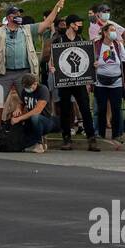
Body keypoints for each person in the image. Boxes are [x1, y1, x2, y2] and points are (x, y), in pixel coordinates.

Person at [0, 0, 65, 133]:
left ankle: (29, 129)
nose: (19, 16)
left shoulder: (27, 29)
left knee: (28, 100)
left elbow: (47, 22)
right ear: (10, 17)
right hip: (2, 73)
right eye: (16, 14)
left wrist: (56, 8)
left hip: (23, 73)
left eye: (20, 14)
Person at [49, 13, 99, 151]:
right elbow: (52, 60)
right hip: (64, 81)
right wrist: (52, 67)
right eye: (78, 23)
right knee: (65, 110)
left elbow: (88, 58)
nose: (80, 26)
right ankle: (66, 138)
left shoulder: (82, 40)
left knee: (85, 109)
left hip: (80, 80)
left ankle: (91, 138)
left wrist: (93, 65)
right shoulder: (58, 41)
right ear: (71, 24)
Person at [5, 72, 58, 154]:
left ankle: (39, 144)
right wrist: (18, 109)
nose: (27, 89)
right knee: (18, 118)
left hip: (45, 121)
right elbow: (21, 102)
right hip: (30, 120)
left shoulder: (43, 90)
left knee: (35, 117)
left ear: (35, 83)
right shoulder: (24, 91)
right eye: (25, 87)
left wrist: (19, 118)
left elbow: (37, 110)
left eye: (29, 87)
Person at [93, 21, 125, 143]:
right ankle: (100, 133)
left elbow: (124, 64)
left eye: (115, 30)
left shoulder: (118, 46)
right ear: (105, 33)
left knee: (116, 109)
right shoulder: (97, 45)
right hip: (100, 82)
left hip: (116, 82)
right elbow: (89, 61)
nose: (114, 32)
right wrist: (94, 65)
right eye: (111, 30)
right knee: (101, 109)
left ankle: (117, 134)